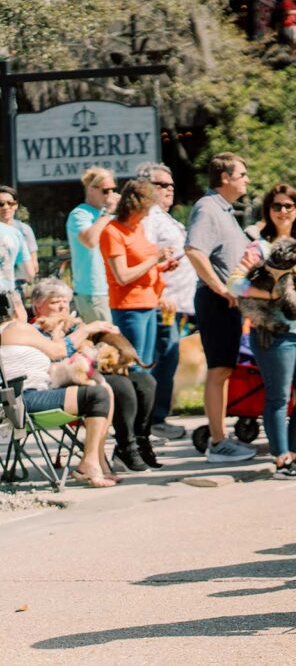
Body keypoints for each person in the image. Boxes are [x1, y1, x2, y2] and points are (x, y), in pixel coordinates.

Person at [227, 184, 296, 480]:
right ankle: (281, 458)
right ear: (268, 211)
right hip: (272, 332)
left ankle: (293, 450)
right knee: (277, 397)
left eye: (289, 206)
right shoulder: (259, 246)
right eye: (277, 206)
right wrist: (271, 295)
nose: (283, 211)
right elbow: (234, 284)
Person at [30, 279, 160, 471]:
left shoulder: (73, 324)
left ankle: (141, 440)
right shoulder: (35, 330)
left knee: (145, 381)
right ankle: (127, 447)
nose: (62, 305)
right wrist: (85, 331)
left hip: (91, 370)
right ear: (37, 306)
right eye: (55, 301)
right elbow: (56, 354)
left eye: (65, 300)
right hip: (64, 380)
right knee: (121, 386)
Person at [0, 292, 117, 487]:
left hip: (16, 402)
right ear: (13, 309)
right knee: (98, 395)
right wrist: (88, 329)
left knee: (103, 389)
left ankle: (98, 462)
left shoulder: (12, 333)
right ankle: (91, 462)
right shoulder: (15, 328)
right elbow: (59, 351)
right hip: (25, 401)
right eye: (22, 305)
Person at [185, 152, 258, 463]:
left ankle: (222, 438)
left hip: (228, 301)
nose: (246, 179)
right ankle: (217, 442)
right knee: (218, 371)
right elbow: (193, 250)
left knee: (225, 370)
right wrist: (220, 287)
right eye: (242, 174)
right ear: (225, 177)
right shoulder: (207, 208)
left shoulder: (225, 210)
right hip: (216, 301)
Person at [137, 162, 195, 440]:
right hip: (162, 302)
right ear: (147, 188)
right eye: (163, 185)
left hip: (176, 303)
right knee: (162, 359)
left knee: (167, 359)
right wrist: (160, 296)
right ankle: (152, 420)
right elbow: (146, 258)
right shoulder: (148, 218)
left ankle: (155, 418)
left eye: (172, 184)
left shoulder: (163, 217)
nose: (170, 189)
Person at [100, 179, 179, 374]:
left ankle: (147, 404)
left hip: (149, 303)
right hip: (129, 308)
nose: (146, 215)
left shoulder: (138, 228)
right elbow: (123, 276)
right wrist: (155, 259)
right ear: (134, 206)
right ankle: (133, 403)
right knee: (134, 365)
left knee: (147, 364)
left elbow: (142, 267)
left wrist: (163, 266)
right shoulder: (112, 232)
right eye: (145, 210)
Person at [67, 167, 119, 323]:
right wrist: (107, 213)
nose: (110, 195)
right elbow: (89, 240)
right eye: (105, 190)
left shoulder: (110, 215)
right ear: (91, 189)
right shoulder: (79, 214)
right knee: (104, 342)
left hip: (114, 288)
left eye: (113, 190)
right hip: (94, 290)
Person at [0, 186, 37, 290]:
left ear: (16, 205)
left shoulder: (24, 230)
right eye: (1, 204)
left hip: (17, 286)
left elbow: (33, 266)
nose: (6, 207)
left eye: (10, 203)